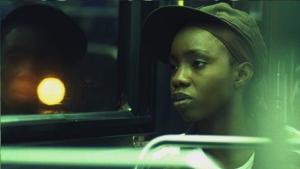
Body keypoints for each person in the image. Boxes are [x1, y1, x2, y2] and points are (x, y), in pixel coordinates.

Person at [141, 2, 299, 169]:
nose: (178, 78)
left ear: (241, 75)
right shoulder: (163, 161)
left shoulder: (292, 153)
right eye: (174, 66)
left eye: (198, 64)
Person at [1, 4, 87, 114]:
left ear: (62, 68)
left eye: (42, 60)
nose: (27, 72)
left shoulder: (76, 120)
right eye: (14, 57)